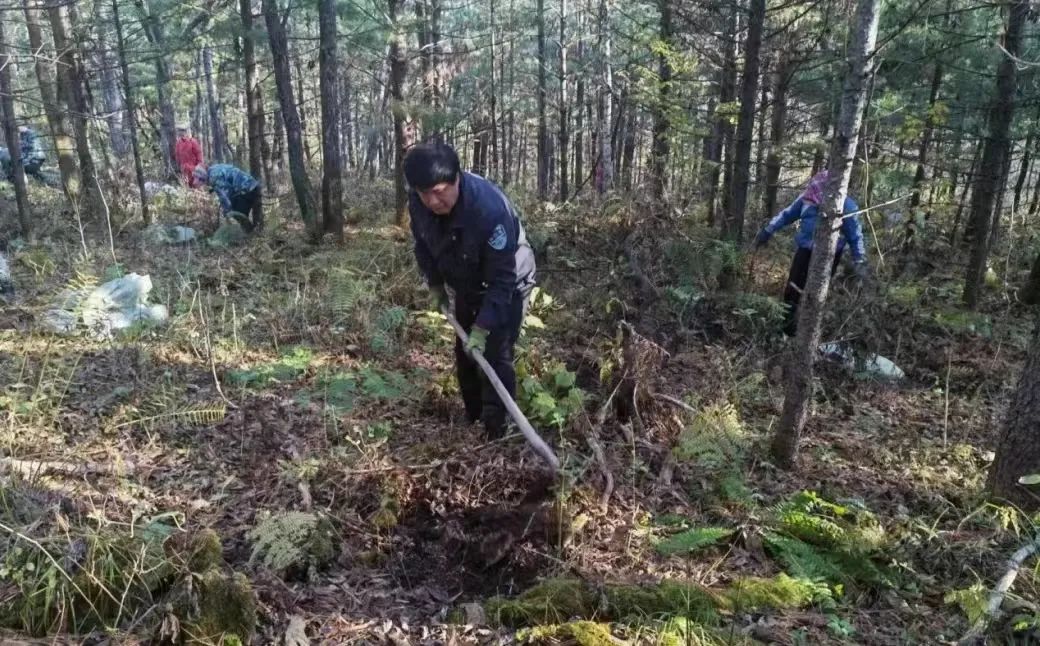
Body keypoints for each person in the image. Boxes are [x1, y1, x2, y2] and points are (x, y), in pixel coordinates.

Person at [406, 143, 536, 439]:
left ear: (457, 179)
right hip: (467, 280)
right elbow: (423, 245)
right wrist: (436, 284)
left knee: (494, 353)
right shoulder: (418, 202)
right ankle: (473, 420)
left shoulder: (489, 211)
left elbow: (503, 281)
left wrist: (483, 326)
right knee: (465, 354)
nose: (432, 201)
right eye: (424, 194)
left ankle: (498, 432)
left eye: (439, 191)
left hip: (508, 281)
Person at [753, 169, 868, 336]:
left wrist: (860, 261)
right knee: (793, 289)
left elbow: (856, 236)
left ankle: (807, 332)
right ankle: (786, 329)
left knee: (815, 295)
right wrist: (768, 230)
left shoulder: (847, 206)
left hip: (828, 258)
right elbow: (786, 215)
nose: (815, 190)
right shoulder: (806, 199)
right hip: (804, 252)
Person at [193, 163, 263, 232]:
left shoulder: (213, 177)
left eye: (197, 178)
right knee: (257, 221)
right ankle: (257, 233)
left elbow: (225, 196)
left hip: (247, 190)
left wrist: (227, 212)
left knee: (238, 215)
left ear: (202, 176)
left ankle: (249, 235)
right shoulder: (214, 169)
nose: (195, 181)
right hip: (254, 186)